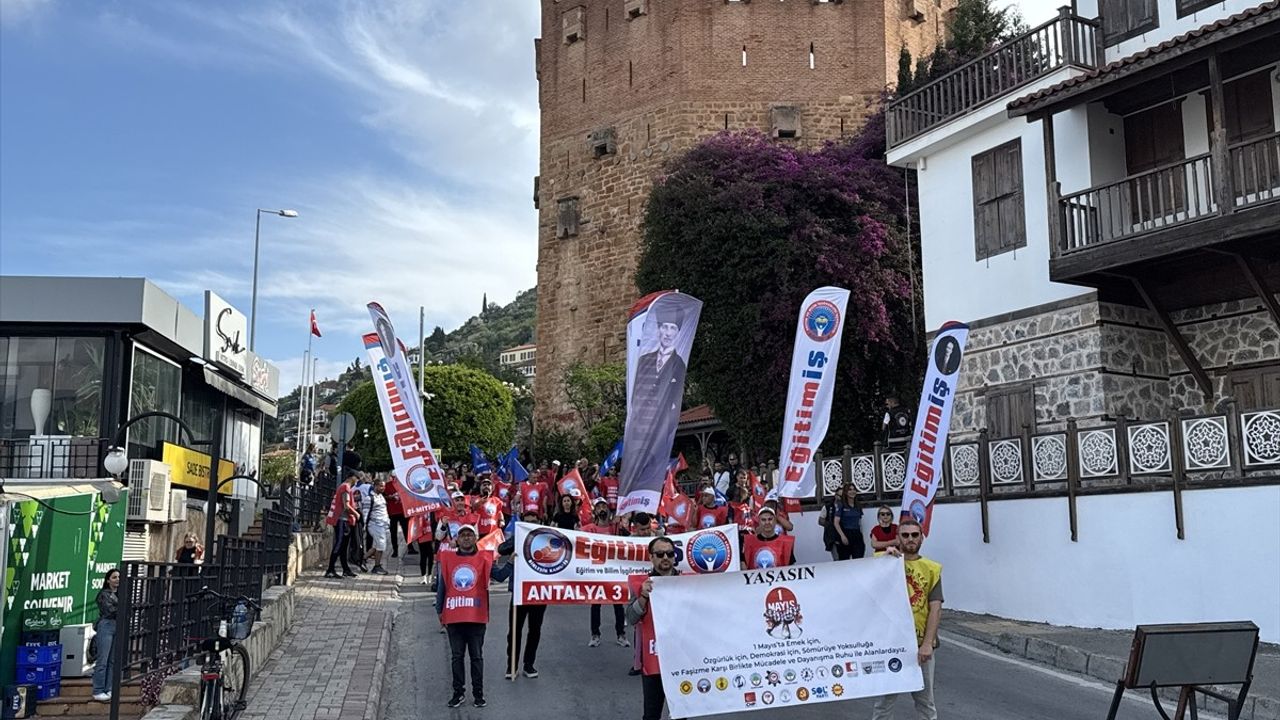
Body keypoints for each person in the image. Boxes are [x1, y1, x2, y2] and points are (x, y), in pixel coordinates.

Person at [436, 524, 513, 709]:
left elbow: (500, 576)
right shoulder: (448, 559)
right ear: (457, 539)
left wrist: (511, 563)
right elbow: (442, 587)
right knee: (457, 657)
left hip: (476, 618)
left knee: (476, 657)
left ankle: (478, 694)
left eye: (470, 535)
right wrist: (440, 611)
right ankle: (458, 693)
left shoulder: (484, 559)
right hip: (454, 617)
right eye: (462, 535)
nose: (466, 538)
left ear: (475, 538)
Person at [873, 518, 943, 720]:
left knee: (925, 703)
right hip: (891, 645)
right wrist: (884, 558)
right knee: (884, 704)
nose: (910, 539)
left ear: (922, 537)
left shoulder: (932, 569)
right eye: (905, 535)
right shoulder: (883, 561)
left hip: (921, 645)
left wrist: (928, 644)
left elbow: (935, 608)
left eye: (914, 535)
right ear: (897, 538)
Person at [626, 536, 681, 720]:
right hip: (652, 661)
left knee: (682, 714)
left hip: (682, 661)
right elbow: (632, 618)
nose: (665, 557)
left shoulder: (688, 583)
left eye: (669, 553)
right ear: (651, 557)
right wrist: (643, 596)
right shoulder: (641, 584)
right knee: (651, 715)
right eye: (660, 554)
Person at [500, 511, 548, 679]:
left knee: (535, 630)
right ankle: (511, 666)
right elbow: (501, 548)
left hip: (539, 592)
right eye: (527, 522)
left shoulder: (546, 538)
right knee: (514, 630)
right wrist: (517, 539)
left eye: (533, 521)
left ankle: (529, 664)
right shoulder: (518, 538)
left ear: (539, 521)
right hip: (520, 592)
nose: (530, 524)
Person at [582, 500, 629, 648]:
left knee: (618, 605)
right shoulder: (588, 529)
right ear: (594, 511)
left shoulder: (615, 528)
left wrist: (622, 526)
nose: (602, 509)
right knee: (595, 606)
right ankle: (595, 635)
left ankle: (621, 634)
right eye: (599, 507)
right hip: (597, 572)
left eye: (604, 506)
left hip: (614, 572)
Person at [91, 568, 120, 701]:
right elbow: (109, 610)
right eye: (114, 577)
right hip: (107, 625)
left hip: (117, 625)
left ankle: (109, 688)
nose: (117, 580)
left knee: (112, 660)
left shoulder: (121, 593)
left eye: (119, 577)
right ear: (108, 580)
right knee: (103, 659)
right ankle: (98, 690)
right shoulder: (104, 594)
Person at [324, 472, 358, 578]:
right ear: (352, 477)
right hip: (341, 520)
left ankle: (345, 569)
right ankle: (330, 569)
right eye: (356, 478)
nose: (357, 481)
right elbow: (346, 505)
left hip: (344, 520)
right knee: (339, 544)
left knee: (343, 546)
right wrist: (356, 514)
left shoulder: (344, 487)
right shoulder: (345, 487)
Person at [828, 484, 864, 560]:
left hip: (856, 534)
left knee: (858, 558)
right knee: (844, 559)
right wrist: (842, 536)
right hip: (845, 532)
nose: (852, 491)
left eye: (854, 489)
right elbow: (836, 522)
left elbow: (860, 522)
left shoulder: (858, 505)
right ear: (846, 492)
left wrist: (861, 535)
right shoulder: (841, 505)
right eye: (850, 490)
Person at [364, 478, 391, 575]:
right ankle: (377, 566)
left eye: (384, 486)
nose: (383, 488)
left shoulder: (381, 497)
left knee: (376, 546)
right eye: (381, 486)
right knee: (381, 545)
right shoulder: (369, 498)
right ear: (375, 486)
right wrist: (364, 526)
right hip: (375, 524)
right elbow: (365, 513)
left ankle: (362, 559)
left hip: (383, 525)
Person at [384, 477, 411, 558]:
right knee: (393, 532)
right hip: (393, 512)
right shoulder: (387, 485)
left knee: (406, 530)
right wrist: (391, 497)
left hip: (402, 511)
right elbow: (384, 496)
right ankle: (395, 550)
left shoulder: (403, 484)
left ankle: (410, 547)